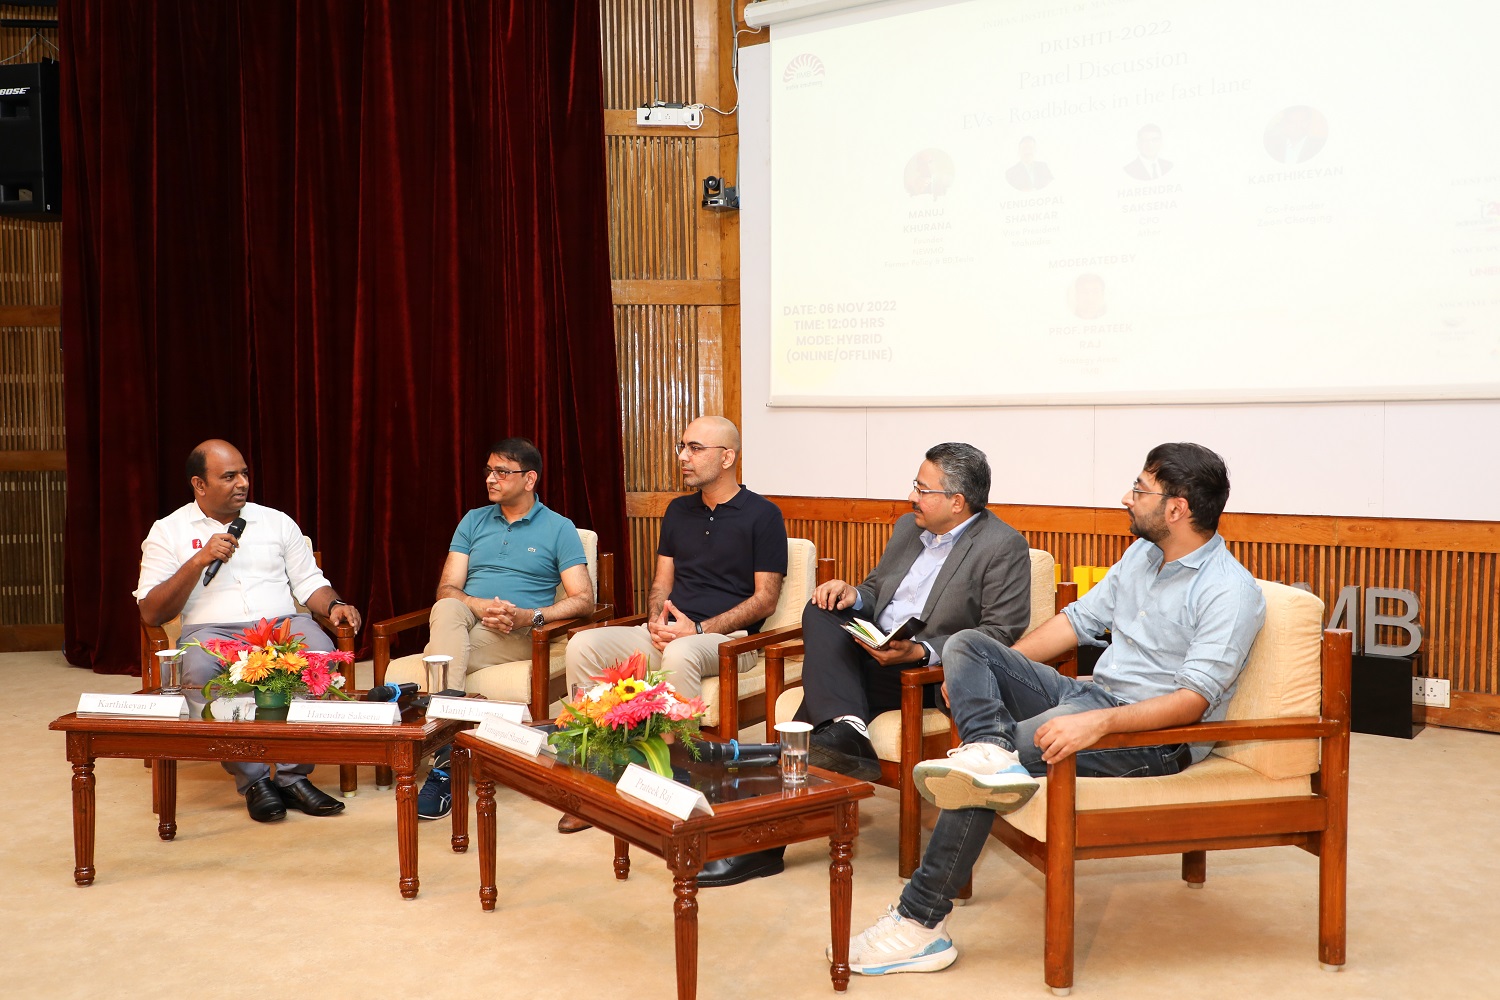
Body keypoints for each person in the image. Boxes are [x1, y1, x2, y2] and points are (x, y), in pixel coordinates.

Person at [837, 442, 1266, 975]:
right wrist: (994, 667)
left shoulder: (1229, 590)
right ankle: (987, 751)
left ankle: (920, 924)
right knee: (968, 646)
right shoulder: (1142, 556)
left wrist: (1097, 722)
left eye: (1140, 489)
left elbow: (1192, 702)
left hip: (1152, 736)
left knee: (977, 776)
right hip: (1089, 695)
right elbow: (1076, 623)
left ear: (1176, 508)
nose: (1127, 498)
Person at [562, 415, 787, 853]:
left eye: (695, 448)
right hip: (670, 629)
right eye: (682, 446)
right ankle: (598, 775)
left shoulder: (763, 515)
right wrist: (654, 619)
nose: (683, 456)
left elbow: (765, 600)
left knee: (682, 654)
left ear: (727, 457)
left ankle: (673, 786)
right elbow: (661, 583)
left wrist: (698, 629)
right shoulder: (678, 510)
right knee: (583, 645)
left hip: (729, 640)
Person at [135, 439, 363, 824]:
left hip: (282, 625)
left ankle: (293, 777)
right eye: (229, 476)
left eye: (244, 473)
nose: (242, 482)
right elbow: (152, 610)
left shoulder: (276, 522)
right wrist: (199, 559)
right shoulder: (168, 531)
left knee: (322, 657)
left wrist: (335, 605)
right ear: (199, 484)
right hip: (212, 632)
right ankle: (254, 780)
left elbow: (309, 583)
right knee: (200, 673)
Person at [796, 442, 1032, 783]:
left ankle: (839, 737)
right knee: (821, 609)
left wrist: (921, 651)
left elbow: (999, 631)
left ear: (957, 502)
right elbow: (878, 589)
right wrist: (853, 595)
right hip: (872, 646)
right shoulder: (909, 527)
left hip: (923, 672)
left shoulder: (1002, 546)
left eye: (923, 489)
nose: (912, 496)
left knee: (808, 733)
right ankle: (848, 730)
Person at [415, 437, 594, 820]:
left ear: (530, 480)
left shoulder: (560, 528)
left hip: (517, 630)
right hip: (468, 617)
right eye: (488, 471)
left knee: (445, 657)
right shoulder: (473, 520)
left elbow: (583, 599)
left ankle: (442, 750)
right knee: (447, 606)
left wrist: (531, 616)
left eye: (501, 472)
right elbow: (447, 588)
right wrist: (481, 605)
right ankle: (448, 750)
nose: (490, 479)